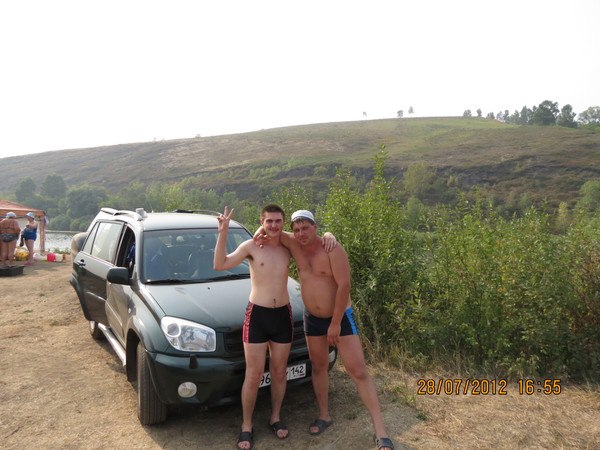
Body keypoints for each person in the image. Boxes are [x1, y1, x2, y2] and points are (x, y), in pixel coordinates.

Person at [259, 209, 395, 450]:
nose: (301, 233)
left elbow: (344, 286)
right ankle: (324, 415)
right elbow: (272, 228)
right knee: (319, 367)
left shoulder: (332, 248)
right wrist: (260, 230)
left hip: (339, 318)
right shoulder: (293, 243)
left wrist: (335, 323)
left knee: (358, 370)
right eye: (297, 229)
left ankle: (381, 431)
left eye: (306, 228)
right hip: (312, 319)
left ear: (315, 227)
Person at [214, 205, 335, 450]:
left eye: (278, 221)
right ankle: (246, 425)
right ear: (262, 221)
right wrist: (223, 232)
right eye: (268, 221)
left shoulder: (288, 246)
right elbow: (220, 264)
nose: (273, 225)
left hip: (282, 315)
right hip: (257, 316)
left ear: (282, 223)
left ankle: (275, 417)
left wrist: (329, 234)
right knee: (254, 374)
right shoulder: (251, 246)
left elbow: (310, 239)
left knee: (279, 372)